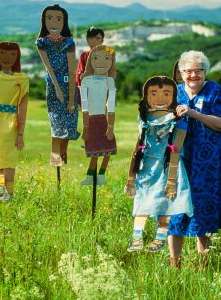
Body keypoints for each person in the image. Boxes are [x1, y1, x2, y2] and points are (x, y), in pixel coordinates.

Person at [125, 76, 193, 253]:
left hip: (168, 166)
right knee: (142, 199)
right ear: (146, 96)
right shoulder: (144, 117)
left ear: (174, 96)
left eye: (166, 93)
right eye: (153, 93)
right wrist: (130, 177)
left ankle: (160, 237)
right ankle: (137, 236)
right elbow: (138, 146)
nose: (160, 98)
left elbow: (175, 150)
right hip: (146, 166)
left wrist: (171, 181)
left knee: (165, 202)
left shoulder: (179, 119)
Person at [168, 51, 221, 268]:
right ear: (180, 73)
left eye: (198, 70)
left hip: (207, 162)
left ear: (205, 72)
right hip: (176, 160)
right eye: (187, 71)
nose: (193, 75)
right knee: (174, 209)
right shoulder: (171, 92)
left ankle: (204, 265)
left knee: (203, 209)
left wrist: (195, 114)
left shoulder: (215, 91)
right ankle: (175, 264)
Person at [0, 42, 29, 203]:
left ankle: (8, 196)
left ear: (17, 57)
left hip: (12, 127)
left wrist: (21, 134)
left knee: (9, 162)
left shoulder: (22, 79)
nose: (7, 58)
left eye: (12, 54)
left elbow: (23, 108)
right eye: (3, 53)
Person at [35, 4, 80, 166]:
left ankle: (63, 154)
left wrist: (70, 98)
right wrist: (58, 89)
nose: (54, 22)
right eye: (50, 18)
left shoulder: (68, 42)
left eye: (58, 19)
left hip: (70, 87)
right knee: (56, 123)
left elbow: (72, 69)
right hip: (54, 88)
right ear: (44, 20)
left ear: (64, 22)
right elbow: (49, 69)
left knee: (70, 123)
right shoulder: (42, 42)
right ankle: (55, 161)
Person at [79, 45, 117, 185]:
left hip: (104, 119)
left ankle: (101, 174)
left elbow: (111, 106)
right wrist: (86, 127)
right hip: (90, 120)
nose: (101, 62)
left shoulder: (110, 81)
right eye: (96, 58)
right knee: (95, 151)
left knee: (107, 150)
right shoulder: (86, 81)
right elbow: (84, 106)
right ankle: (90, 177)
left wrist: (110, 126)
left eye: (107, 58)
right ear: (90, 61)